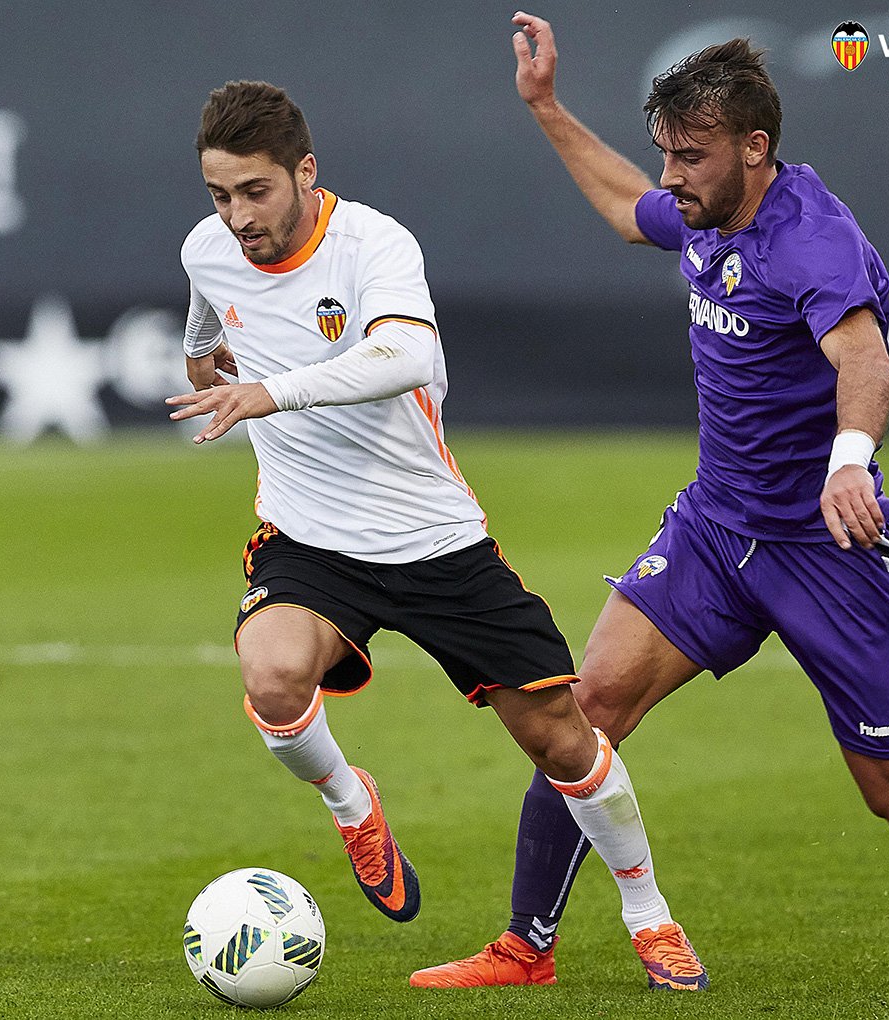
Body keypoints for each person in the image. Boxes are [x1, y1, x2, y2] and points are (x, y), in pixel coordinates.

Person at [407, 13, 889, 988]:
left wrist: (849, 460)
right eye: (667, 153)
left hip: (825, 548)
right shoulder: (705, 209)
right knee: (586, 708)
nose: (672, 177)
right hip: (715, 530)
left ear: (756, 148)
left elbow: (863, 357)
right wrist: (545, 106)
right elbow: (629, 209)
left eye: (691, 157)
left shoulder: (811, 241)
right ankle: (525, 946)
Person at [166, 79, 708, 992]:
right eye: (220, 196)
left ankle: (650, 918)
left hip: (433, 540)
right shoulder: (209, 250)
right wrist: (199, 354)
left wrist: (272, 388)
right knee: (270, 675)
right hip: (309, 539)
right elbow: (207, 307)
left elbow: (407, 354)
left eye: (255, 192)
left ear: (304, 171)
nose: (237, 216)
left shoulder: (374, 243)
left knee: (563, 742)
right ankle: (353, 802)